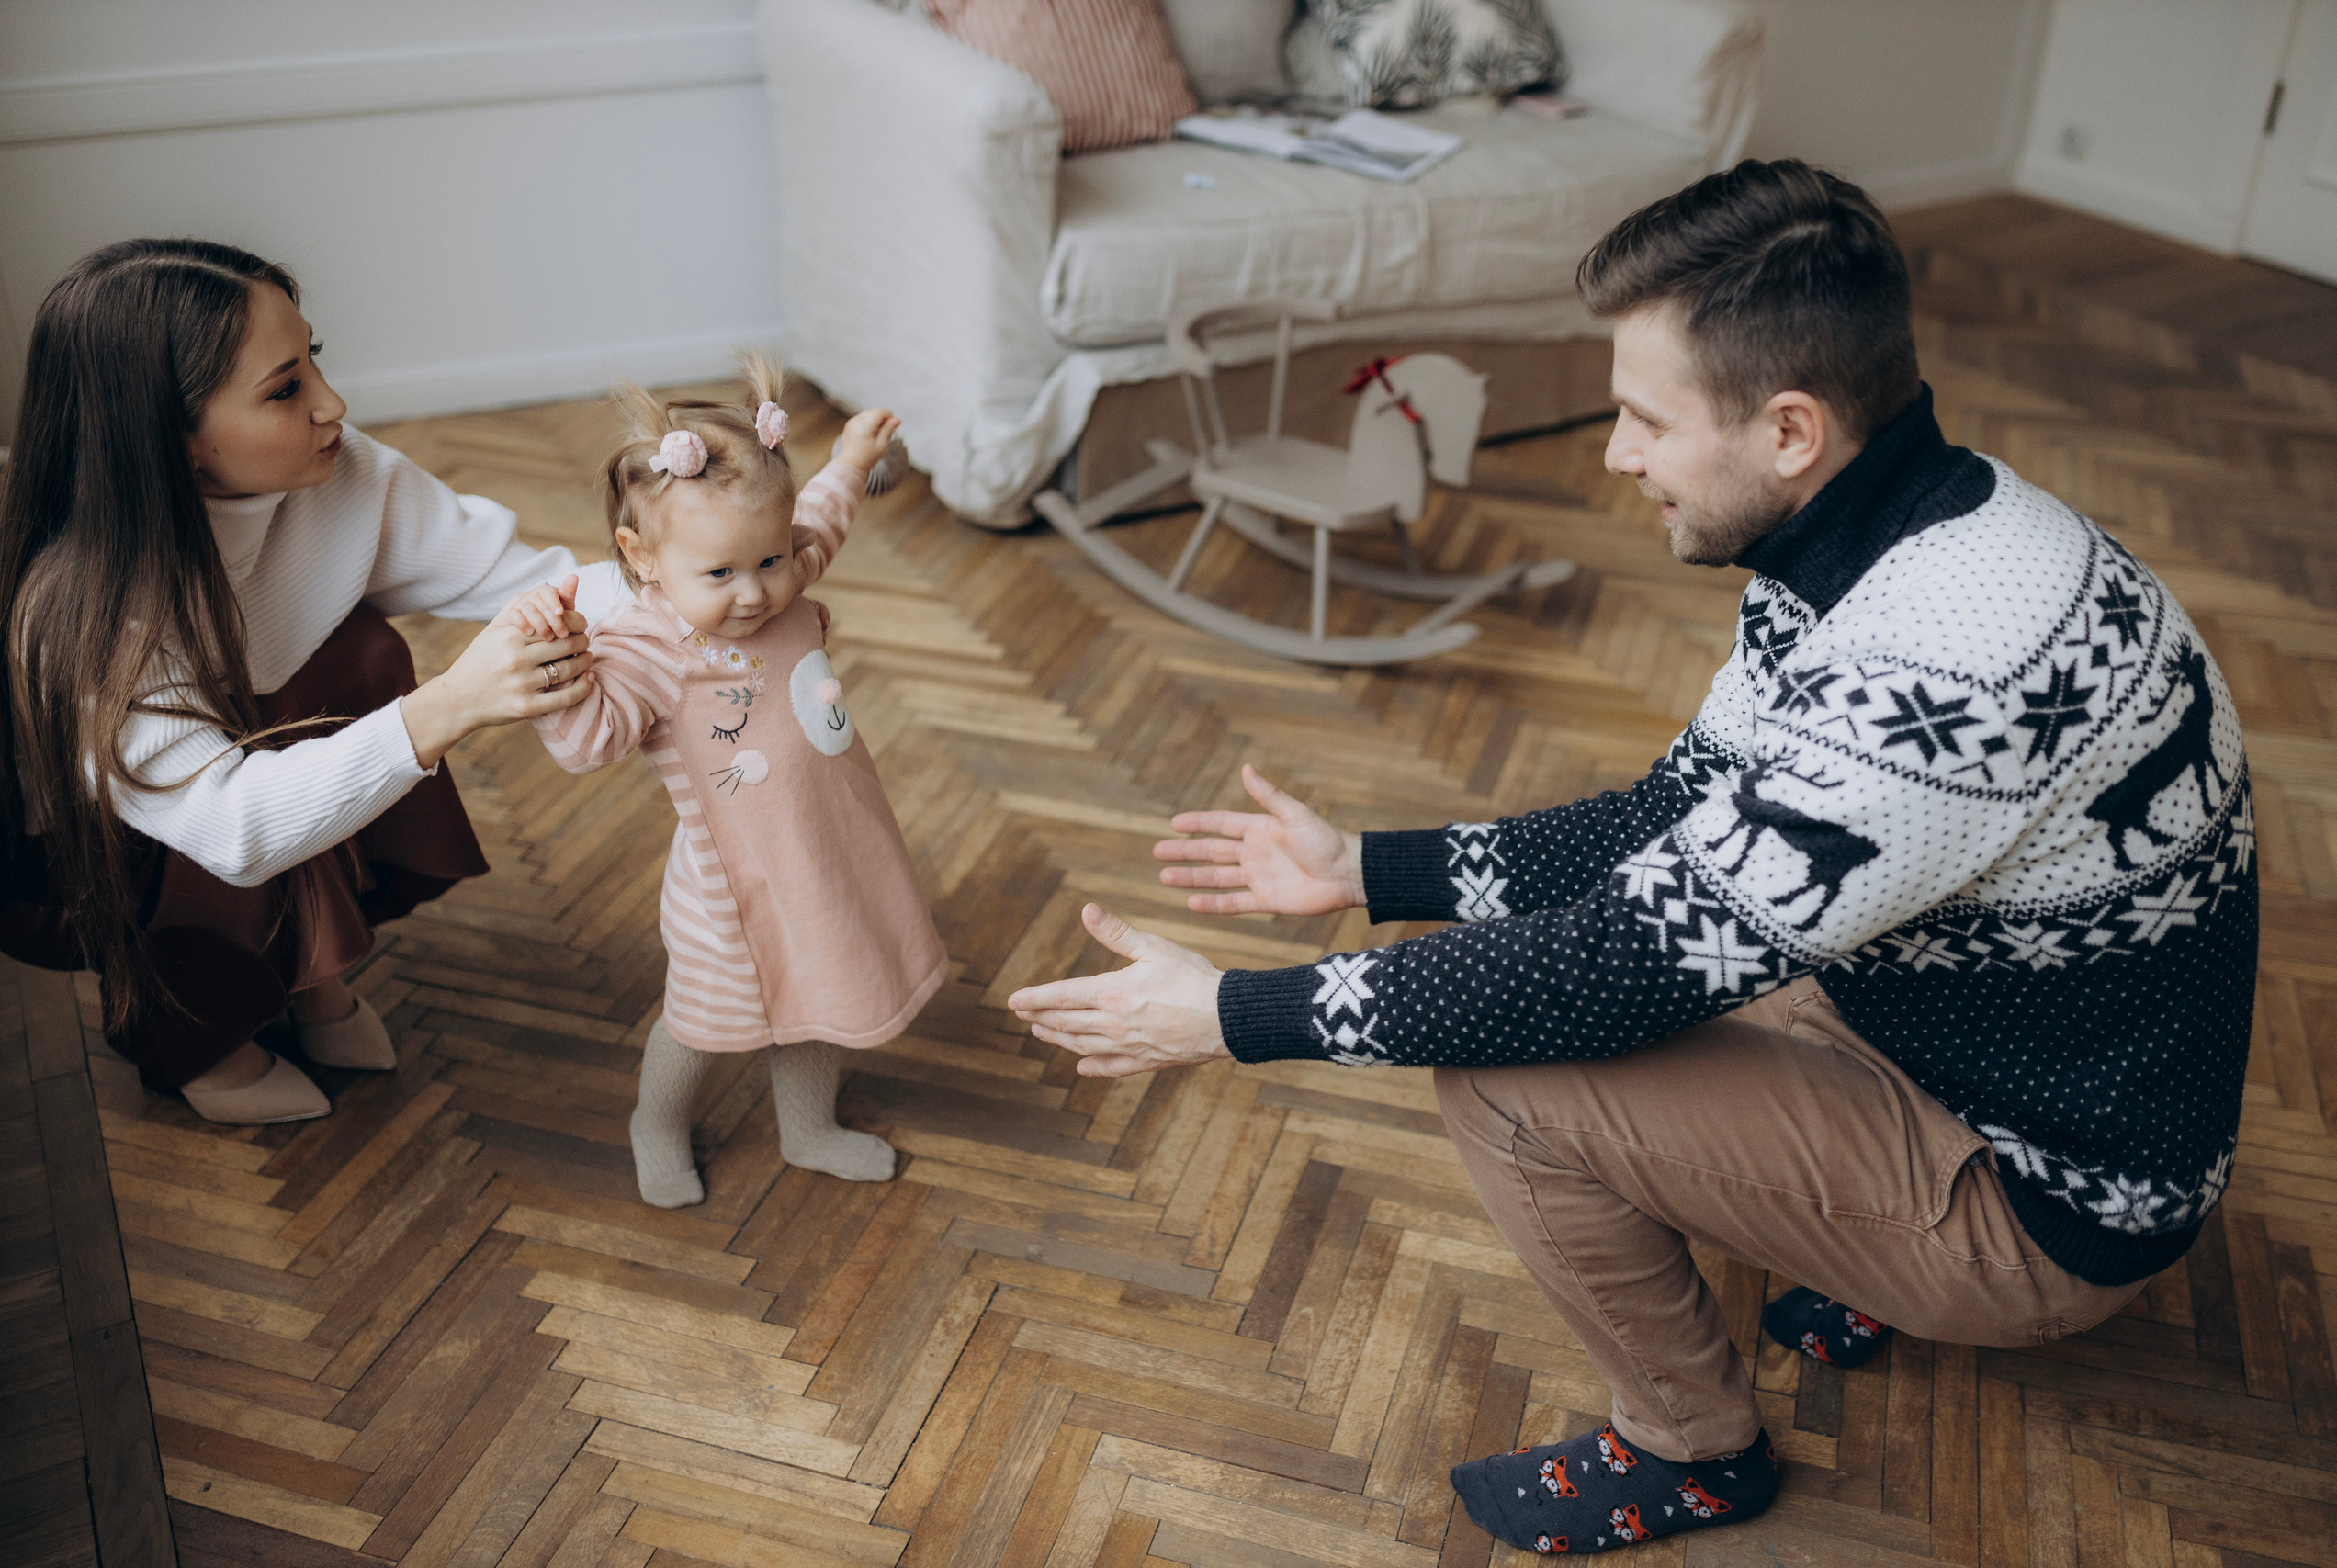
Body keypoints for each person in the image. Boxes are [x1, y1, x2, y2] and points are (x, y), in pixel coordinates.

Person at [1007, 160, 2254, 1555]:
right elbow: (1669, 817)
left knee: (1507, 1073)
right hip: (2002, 1046)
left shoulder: (1940, 667)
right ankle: (1864, 1250)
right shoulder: (1920, 531)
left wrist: (1233, 1012)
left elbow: (1607, 970)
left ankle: (1691, 1448)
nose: (1614, 452)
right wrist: (1368, 866)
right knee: (1616, 965)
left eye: (1646, 418)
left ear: (1789, 428)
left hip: (2051, 1198)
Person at [0, 239, 598, 1126]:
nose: (333, 405)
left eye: (315, 359)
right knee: (290, 754)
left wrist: (715, 584)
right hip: (115, 854)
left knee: (356, 655)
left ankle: (313, 972)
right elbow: (233, 825)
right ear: (174, 438)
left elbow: (521, 576)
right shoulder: (82, 610)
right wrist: (455, 703)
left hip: (246, 759)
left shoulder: (336, 469)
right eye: (285, 389)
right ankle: (202, 1039)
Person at [500, 357, 943, 1207]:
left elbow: (815, 521)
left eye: (768, 561)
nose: (755, 594)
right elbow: (589, 741)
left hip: (827, 851)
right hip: (727, 894)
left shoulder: (779, 575)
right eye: (720, 574)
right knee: (701, 1025)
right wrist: (561, 661)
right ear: (643, 557)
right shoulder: (648, 646)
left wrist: (849, 461)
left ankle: (809, 1130)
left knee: (824, 991)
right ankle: (656, 1123)